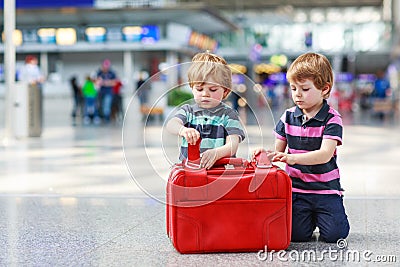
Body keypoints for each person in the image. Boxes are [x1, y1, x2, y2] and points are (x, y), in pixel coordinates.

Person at [253, 52, 350, 243]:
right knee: (296, 236)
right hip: (297, 190)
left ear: (324, 89)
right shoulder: (287, 117)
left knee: (335, 235)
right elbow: (278, 153)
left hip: (325, 190)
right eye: (293, 88)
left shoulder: (332, 118)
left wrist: (292, 158)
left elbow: (324, 154)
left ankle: (328, 214)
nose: (297, 94)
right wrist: (266, 155)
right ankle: (310, 218)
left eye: (305, 88)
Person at [166, 51, 245, 169]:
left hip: (218, 175)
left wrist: (217, 154)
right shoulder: (188, 111)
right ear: (192, 88)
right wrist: (182, 130)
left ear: (225, 91)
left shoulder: (228, 115)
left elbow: (233, 144)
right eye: (199, 89)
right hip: (189, 173)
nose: (205, 94)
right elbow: (171, 124)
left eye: (213, 89)